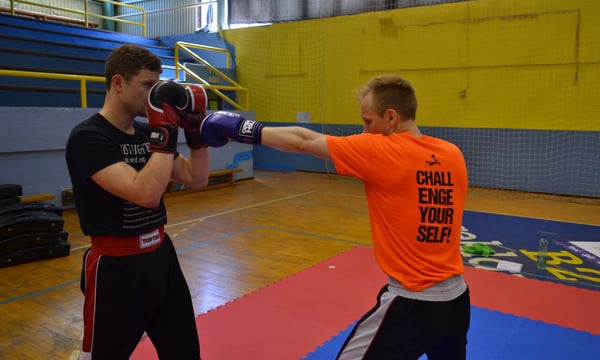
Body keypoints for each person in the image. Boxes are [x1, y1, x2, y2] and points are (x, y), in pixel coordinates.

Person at [198, 74, 470, 359]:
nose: (365, 130)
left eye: (368, 122)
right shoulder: (452, 153)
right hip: (457, 299)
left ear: (391, 117)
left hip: (412, 303)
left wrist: (238, 127)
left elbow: (304, 141)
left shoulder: (383, 150)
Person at [65, 44, 210, 360]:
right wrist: (166, 131)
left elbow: (197, 178)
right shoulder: (88, 137)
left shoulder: (147, 133)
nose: (155, 96)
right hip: (117, 266)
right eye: (147, 86)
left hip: (161, 257)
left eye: (158, 87)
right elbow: (145, 194)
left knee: (185, 352)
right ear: (118, 83)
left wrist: (196, 133)